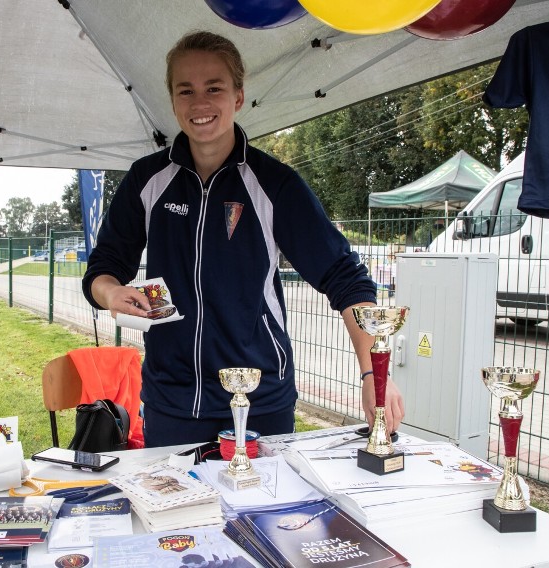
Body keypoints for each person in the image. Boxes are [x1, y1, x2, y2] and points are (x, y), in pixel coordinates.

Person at [83, 30, 404, 447]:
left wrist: (373, 376)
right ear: (173, 100)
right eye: (186, 90)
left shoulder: (274, 184)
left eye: (213, 88)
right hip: (171, 402)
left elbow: (345, 277)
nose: (200, 103)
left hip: (260, 402)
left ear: (237, 96)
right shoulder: (146, 180)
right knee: (179, 515)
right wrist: (111, 294)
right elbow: (103, 267)